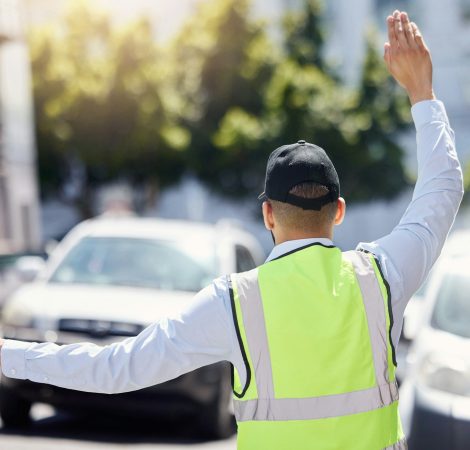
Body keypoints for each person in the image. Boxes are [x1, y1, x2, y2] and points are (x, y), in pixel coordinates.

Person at [0, 10, 463, 450]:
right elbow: (443, 189)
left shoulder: (235, 304)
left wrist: (8, 354)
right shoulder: (382, 278)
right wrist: (422, 92)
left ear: (268, 215)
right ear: (338, 210)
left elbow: (117, 367)